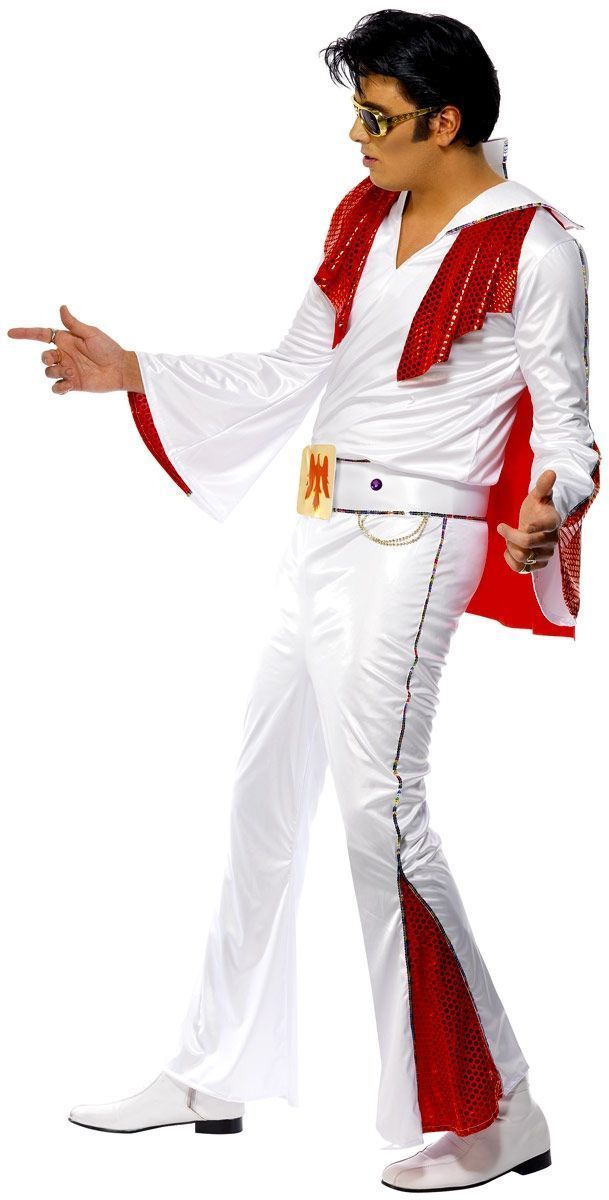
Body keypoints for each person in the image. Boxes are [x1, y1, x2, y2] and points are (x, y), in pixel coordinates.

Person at [7, 10, 600, 1192]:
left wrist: (554, 502)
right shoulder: (363, 216)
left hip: (412, 543)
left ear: (446, 121)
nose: (357, 136)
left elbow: (569, 426)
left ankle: (501, 1109)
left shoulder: (535, 246)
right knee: (260, 799)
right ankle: (212, 1068)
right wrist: (140, 371)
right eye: (356, 112)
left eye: (378, 117)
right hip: (320, 528)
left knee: (385, 822)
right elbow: (294, 368)